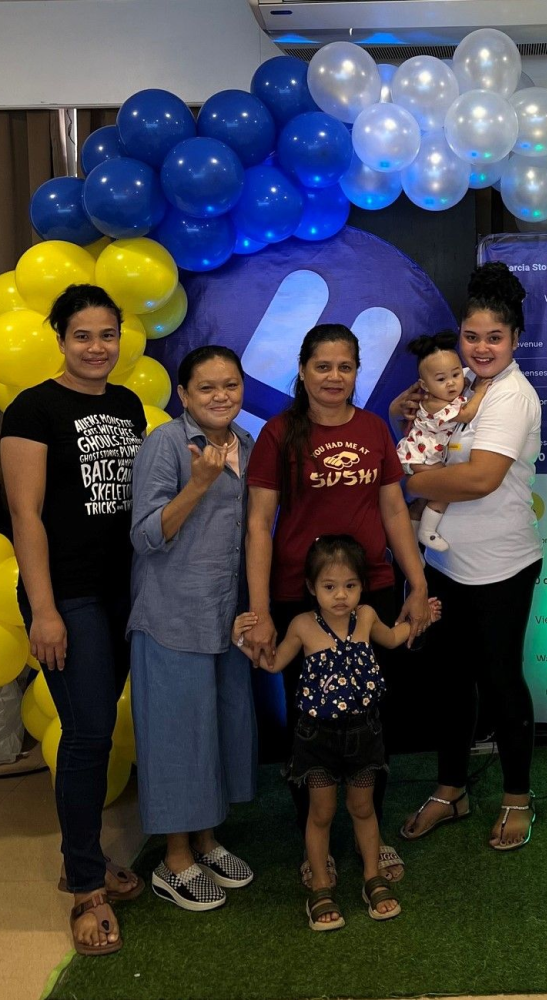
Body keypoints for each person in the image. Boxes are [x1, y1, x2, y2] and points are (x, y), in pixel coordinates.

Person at [244, 323, 431, 885]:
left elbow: (395, 511)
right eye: (322, 366)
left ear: (357, 372)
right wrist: (258, 611)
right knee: (311, 724)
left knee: (373, 718)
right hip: (299, 600)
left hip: (369, 589)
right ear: (302, 371)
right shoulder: (280, 434)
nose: (333, 377)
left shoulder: (374, 429)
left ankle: (370, 835)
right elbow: (258, 523)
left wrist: (416, 583)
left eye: (344, 366)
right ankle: (315, 846)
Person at [0, 284, 146, 955]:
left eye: (107, 335)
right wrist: (48, 609)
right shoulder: (33, 408)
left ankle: (81, 858)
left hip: (122, 592)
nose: (97, 348)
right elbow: (25, 516)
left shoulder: (125, 404)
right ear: (61, 338)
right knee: (87, 733)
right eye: (83, 335)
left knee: (96, 722)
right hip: (70, 598)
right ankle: (85, 884)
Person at [395, 261, 543, 851]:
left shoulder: (512, 395)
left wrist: (408, 486)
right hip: (445, 563)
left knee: (501, 680)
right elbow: (419, 440)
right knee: (449, 681)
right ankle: (451, 787)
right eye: (472, 336)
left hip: (503, 564)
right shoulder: (455, 387)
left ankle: (517, 797)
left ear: (515, 340)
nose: (480, 348)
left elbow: (481, 478)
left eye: (495, 338)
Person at [238, 535, 440, 928]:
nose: (341, 596)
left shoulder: (365, 617)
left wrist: (423, 617)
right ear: (312, 588)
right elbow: (275, 663)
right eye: (329, 587)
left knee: (363, 809)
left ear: (362, 587)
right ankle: (320, 886)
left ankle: (372, 877)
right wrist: (244, 642)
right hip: (316, 739)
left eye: (350, 586)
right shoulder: (300, 625)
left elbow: (394, 637)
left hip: (366, 733)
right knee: (321, 813)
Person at [128, 346, 257, 912]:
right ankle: (173, 859)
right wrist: (198, 483)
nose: (220, 396)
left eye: (230, 385)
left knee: (218, 731)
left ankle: (206, 840)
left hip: (226, 617)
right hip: (170, 616)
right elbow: (146, 534)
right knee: (177, 738)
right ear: (183, 395)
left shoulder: (248, 445)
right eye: (206, 388)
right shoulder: (165, 443)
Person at [396, 332, 492, 551]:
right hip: (421, 457)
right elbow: (466, 414)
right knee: (446, 489)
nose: (451, 383)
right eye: (441, 379)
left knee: (421, 502)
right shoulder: (435, 403)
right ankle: (427, 532)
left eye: (456, 374)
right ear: (425, 385)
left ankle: (412, 543)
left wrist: (465, 381)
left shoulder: (445, 396)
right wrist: (479, 392)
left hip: (420, 455)